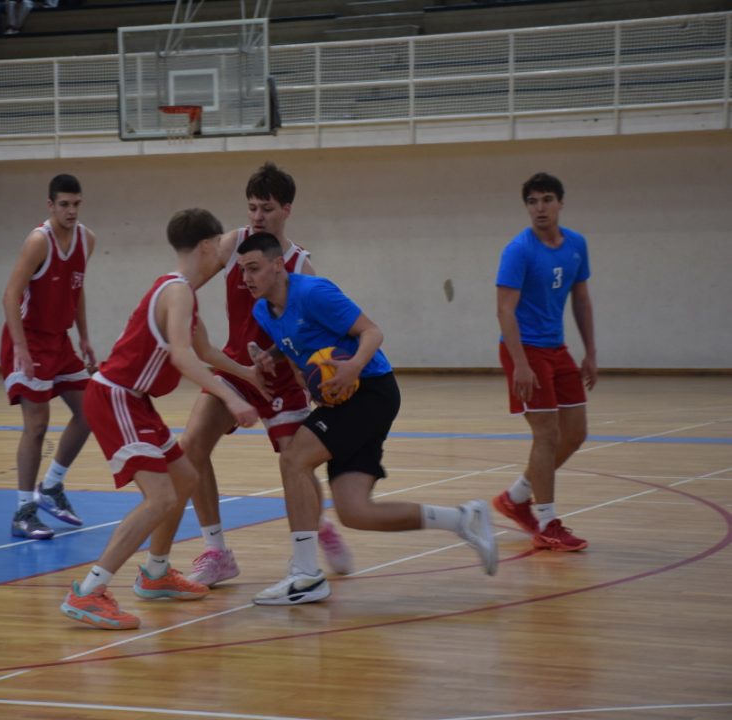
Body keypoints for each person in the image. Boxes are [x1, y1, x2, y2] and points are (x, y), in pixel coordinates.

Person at [237, 231, 498, 605]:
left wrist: (352, 367)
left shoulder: (314, 292)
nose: (247, 278)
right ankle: (461, 519)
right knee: (356, 512)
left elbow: (372, 332)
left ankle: (306, 574)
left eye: (254, 268)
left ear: (278, 265)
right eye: (243, 270)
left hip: (370, 390)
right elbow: (297, 340)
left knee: (294, 459)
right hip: (342, 400)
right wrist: (272, 357)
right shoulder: (263, 310)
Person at [60, 209, 261, 630]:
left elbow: (205, 351)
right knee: (161, 498)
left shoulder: (180, 290)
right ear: (206, 245)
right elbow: (183, 358)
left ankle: (155, 573)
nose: (222, 252)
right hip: (116, 397)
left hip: (135, 400)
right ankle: (89, 591)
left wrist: (248, 375)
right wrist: (232, 398)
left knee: (184, 477)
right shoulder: (178, 292)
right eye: (219, 244)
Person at [179, 162, 353, 588]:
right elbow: (183, 286)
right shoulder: (232, 244)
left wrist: (302, 367)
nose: (258, 216)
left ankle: (318, 526)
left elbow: (314, 331)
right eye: (253, 207)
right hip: (235, 369)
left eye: (267, 208)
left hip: (282, 379)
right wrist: (186, 324)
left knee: (297, 466)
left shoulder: (300, 265)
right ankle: (217, 552)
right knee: (192, 446)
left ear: (287, 210)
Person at [492, 172, 595, 552]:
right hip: (524, 350)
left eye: (547, 199)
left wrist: (591, 351)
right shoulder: (518, 250)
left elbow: (581, 299)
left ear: (560, 203)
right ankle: (548, 522)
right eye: (533, 201)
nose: (540, 208)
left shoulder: (576, 245)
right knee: (547, 434)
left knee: (575, 433)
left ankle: (516, 497)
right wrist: (520, 363)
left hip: (556, 348)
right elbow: (505, 310)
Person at [1, 174, 97, 540]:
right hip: (29, 339)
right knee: (37, 424)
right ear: (50, 205)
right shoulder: (38, 241)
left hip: (60, 340)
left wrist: (84, 336)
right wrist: (20, 346)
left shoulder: (87, 240)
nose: (71, 211)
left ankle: (52, 486)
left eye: (76, 204)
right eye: (64, 205)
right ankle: (23, 512)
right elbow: (10, 295)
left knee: (91, 411)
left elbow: (77, 289)